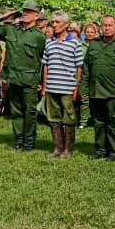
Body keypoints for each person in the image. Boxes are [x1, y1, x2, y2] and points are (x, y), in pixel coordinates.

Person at [0, 0, 46, 150]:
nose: (25, 13)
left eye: (29, 11)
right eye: (24, 11)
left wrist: (42, 82)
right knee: (16, 112)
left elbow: (43, 61)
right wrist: (6, 15)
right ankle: (18, 141)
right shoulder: (11, 31)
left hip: (30, 81)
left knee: (29, 112)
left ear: (36, 16)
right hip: (14, 79)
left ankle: (29, 142)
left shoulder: (39, 37)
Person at [81, 16, 115, 161]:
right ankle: (100, 150)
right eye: (104, 25)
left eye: (110, 25)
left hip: (114, 91)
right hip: (95, 90)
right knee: (98, 123)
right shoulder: (94, 44)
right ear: (100, 27)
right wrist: (83, 88)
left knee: (113, 122)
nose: (107, 28)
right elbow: (86, 67)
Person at [41, 11, 83, 157]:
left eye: (57, 22)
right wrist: (44, 86)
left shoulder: (75, 43)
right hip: (52, 87)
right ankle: (57, 148)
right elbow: (45, 65)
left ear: (66, 24)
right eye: (53, 22)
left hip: (67, 88)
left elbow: (79, 67)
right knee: (53, 119)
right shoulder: (48, 42)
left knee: (69, 119)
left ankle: (68, 149)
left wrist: (76, 88)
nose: (54, 25)